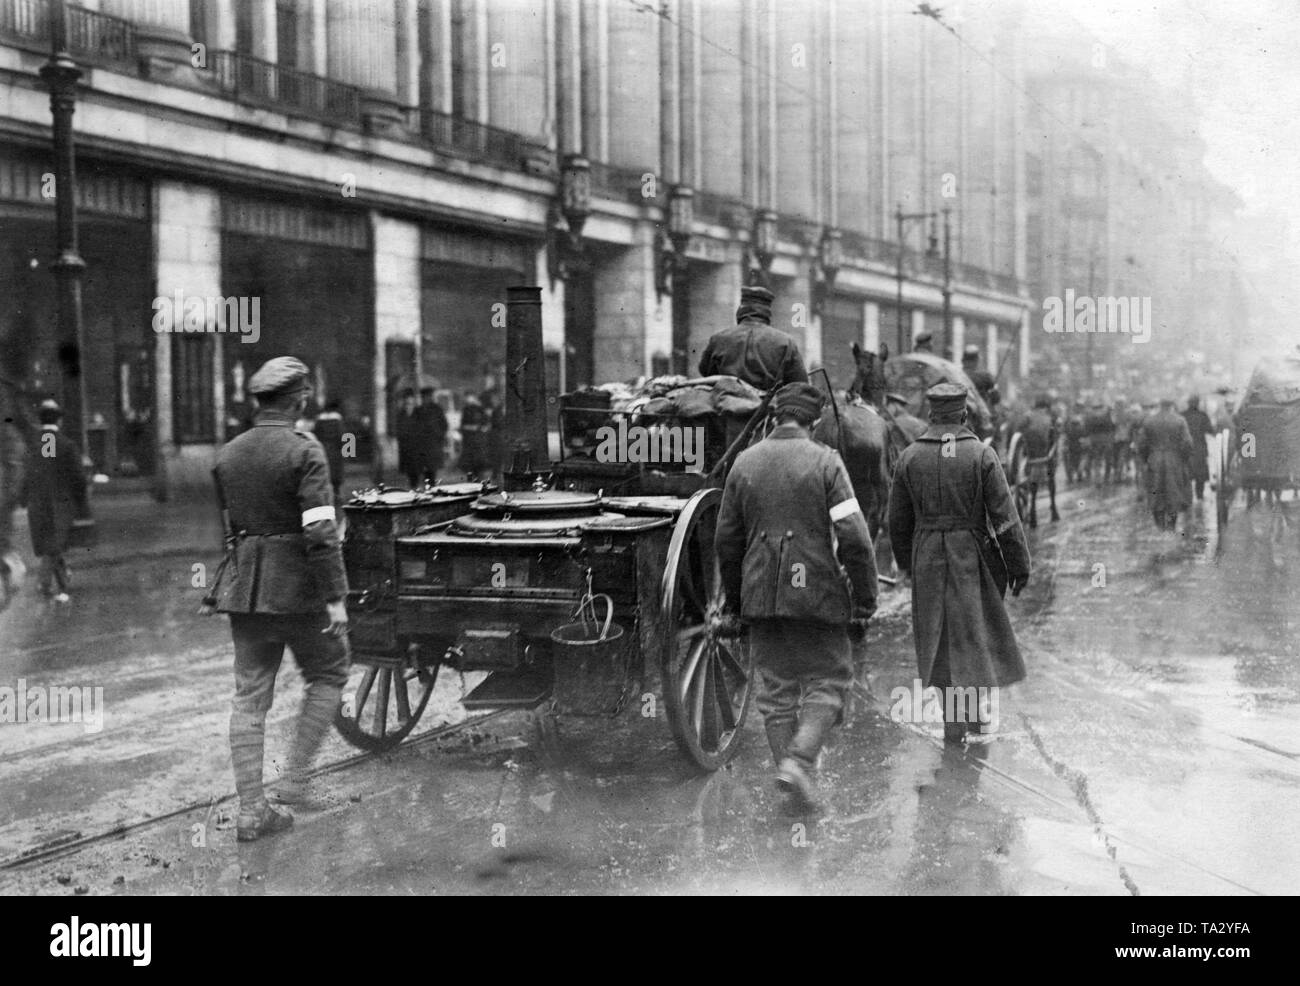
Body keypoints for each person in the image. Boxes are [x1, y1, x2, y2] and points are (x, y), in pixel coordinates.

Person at [204, 357, 350, 842]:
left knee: (249, 695)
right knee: (329, 672)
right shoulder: (304, 451)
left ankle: (251, 811)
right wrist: (335, 598)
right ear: (300, 399)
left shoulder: (228, 454)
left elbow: (228, 533)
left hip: (245, 591)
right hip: (300, 589)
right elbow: (320, 532)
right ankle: (294, 780)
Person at [716, 382, 879, 811]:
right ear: (814, 420)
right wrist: (864, 600)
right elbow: (856, 539)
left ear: (773, 417)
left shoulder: (743, 464)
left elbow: (727, 542)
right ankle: (798, 764)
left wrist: (737, 604)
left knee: (776, 691)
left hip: (760, 596)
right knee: (830, 679)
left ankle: (791, 782)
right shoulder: (827, 462)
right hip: (814, 591)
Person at [887, 382, 1031, 744]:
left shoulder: (909, 457)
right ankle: (972, 715)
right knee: (971, 634)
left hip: (927, 557)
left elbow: (897, 522)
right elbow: (1005, 519)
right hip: (972, 553)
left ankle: (954, 719)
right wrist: (1018, 564)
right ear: (964, 413)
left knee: (938, 637)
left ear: (931, 414)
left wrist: (909, 564)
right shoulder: (982, 455)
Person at [18, 399, 86, 604]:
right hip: (60, 503)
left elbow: (24, 474)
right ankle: (45, 582)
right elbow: (78, 477)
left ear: (40, 420)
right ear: (59, 420)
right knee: (55, 544)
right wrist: (80, 499)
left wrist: (23, 498)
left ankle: (63, 579)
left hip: (37, 504)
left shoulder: (32, 445)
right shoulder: (66, 445)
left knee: (50, 543)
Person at [698, 285, 808, 391]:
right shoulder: (786, 342)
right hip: (768, 406)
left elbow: (705, 371)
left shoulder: (718, 338)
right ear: (767, 313)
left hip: (724, 404)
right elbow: (799, 383)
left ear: (741, 311)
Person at [1136, 397, 1193, 533]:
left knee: (1155, 493)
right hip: (1174, 460)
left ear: (1160, 405)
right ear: (1172, 405)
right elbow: (1187, 443)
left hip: (1154, 459)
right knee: (1173, 493)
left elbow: (1142, 444)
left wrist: (1146, 458)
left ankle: (1160, 527)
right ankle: (1171, 527)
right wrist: (1183, 458)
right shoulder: (1179, 421)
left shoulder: (1149, 421)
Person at [312, 399, 346, 503]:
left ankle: (326, 496)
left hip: (323, 447)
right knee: (336, 472)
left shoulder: (319, 420)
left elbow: (315, 433)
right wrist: (348, 451)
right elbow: (342, 435)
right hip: (335, 449)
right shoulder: (338, 419)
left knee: (324, 471)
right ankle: (336, 494)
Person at [1181, 395, 1214, 502]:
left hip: (1186, 449)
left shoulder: (1182, 416)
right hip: (1199, 448)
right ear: (1198, 403)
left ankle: (1187, 496)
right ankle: (1199, 495)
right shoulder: (1203, 416)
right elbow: (1210, 430)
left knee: (1186, 473)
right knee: (1200, 474)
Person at [394, 386, 427, 489]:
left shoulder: (419, 413)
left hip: (418, 448)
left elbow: (423, 430)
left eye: (410, 403)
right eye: (407, 403)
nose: (409, 405)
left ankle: (417, 488)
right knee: (410, 472)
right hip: (406, 449)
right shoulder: (401, 415)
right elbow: (398, 430)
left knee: (417, 471)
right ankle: (413, 487)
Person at [417, 384, 449, 485]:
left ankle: (432, 487)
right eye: (425, 397)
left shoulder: (437, 409)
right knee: (424, 470)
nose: (427, 399)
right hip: (422, 444)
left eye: (429, 396)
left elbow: (444, 425)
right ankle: (428, 488)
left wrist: (439, 435)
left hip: (434, 444)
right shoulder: (418, 410)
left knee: (432, 469)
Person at [961, 345, 1001, 413]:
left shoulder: (956, 375)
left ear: (963, 361)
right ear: (976, 360)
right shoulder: (986, 377)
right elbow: (996, 398)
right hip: (980, 417)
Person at [458, 391, 489, 479]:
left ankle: (480, 480)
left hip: (479, 441)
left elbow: (486, 424)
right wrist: (469, 428)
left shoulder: (480, 409)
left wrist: (480, 428)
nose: (468, 399)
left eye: (470, 397)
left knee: (479, 464)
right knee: (469, 465)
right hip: (469, 441)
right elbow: (463, 425)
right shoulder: (466, 410)